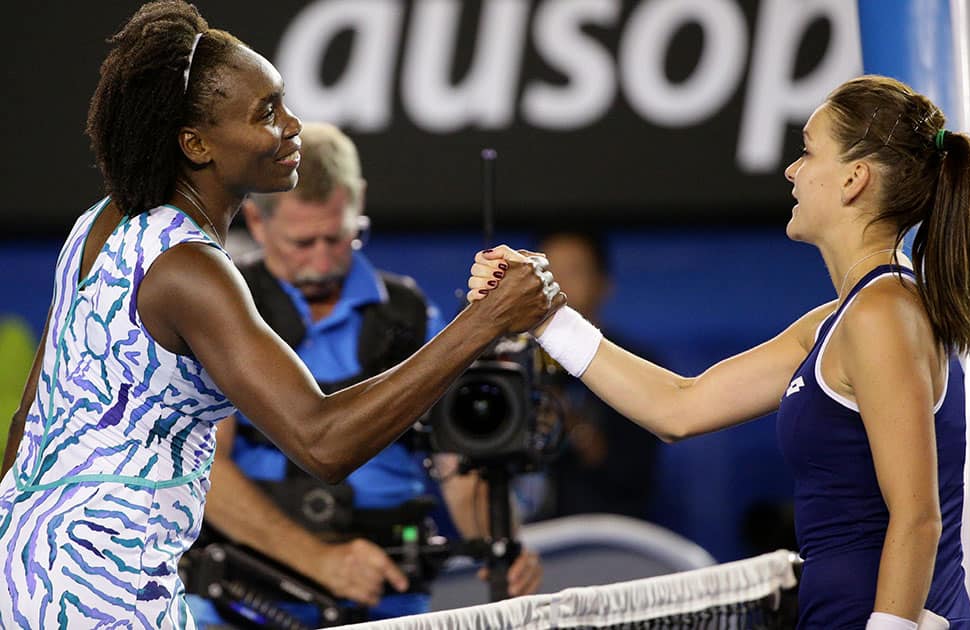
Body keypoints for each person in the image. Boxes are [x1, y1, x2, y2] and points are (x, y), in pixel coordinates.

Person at [0, 2, 558, 628]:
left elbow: (30, 420)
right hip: (101, 595)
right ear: (196, 144)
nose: (293, 125)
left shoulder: (100, 222)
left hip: (28, 570)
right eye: (267, 112)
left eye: (284, 101)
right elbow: (322, 441)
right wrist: (482, 324)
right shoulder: (190, 269)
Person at [470, 75, 970, 629]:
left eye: (809, 151)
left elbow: (917, 519)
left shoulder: (882, 314)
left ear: (853, 179)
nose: (792, 170)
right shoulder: (844, 320)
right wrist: (548, 315)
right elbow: (679, 406)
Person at [186, 122, 541, 627]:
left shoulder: (411, 315)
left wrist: (502, 546)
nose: (322, 260)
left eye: (338, 237)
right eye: (301, 243)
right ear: (257, 223)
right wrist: (319, 561)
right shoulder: (225, 306)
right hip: (243, 600)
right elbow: (205, 473)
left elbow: (456, 467)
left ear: (358, 203)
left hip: (389, 601)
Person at [525, 231, 658, 521]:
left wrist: (572, 425)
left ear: (603, 284)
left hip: (610, 539)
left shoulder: (638, 365)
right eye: (548, 273)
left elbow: (633, 473)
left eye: (574, 271)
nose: (558, 284)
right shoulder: (514, 367)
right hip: (529, 542)